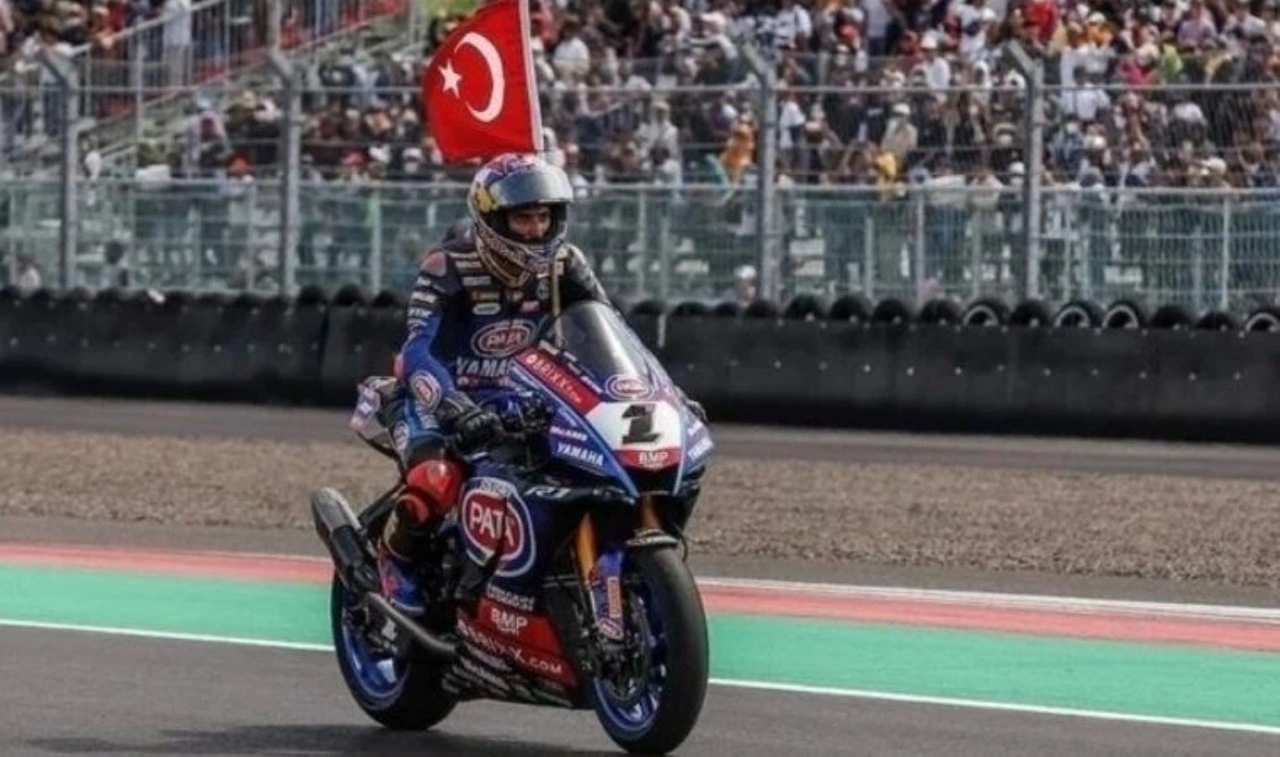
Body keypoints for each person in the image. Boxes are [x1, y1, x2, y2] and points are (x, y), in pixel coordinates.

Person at [367, 152, 703, 617]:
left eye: (544, 217)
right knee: (436, 480)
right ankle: (394, 559)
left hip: (523, 395)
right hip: (441, 394)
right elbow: (417, 350)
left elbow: (612, 331)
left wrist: (663, 393)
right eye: (523, 218)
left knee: (582, 466)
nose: (536, 229)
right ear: (492, 219)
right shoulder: (447, 266)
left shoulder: (566, 264)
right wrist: (453, 407)